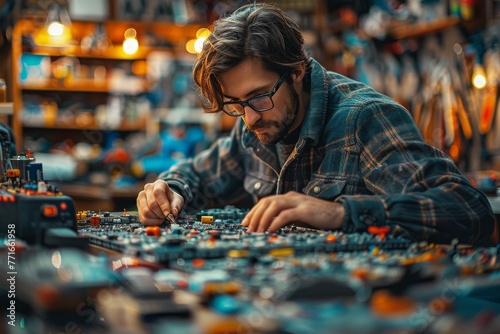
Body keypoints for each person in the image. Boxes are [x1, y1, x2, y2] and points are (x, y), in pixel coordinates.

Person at [137, 3, 494, 245]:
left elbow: (468, 210)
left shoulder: (364, 119)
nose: (249, 117)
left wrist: (339, 214)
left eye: (259, 96)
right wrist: (170, 189)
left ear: (296, 71)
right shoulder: (255, 122)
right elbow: (198, 177)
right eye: (236, 104)